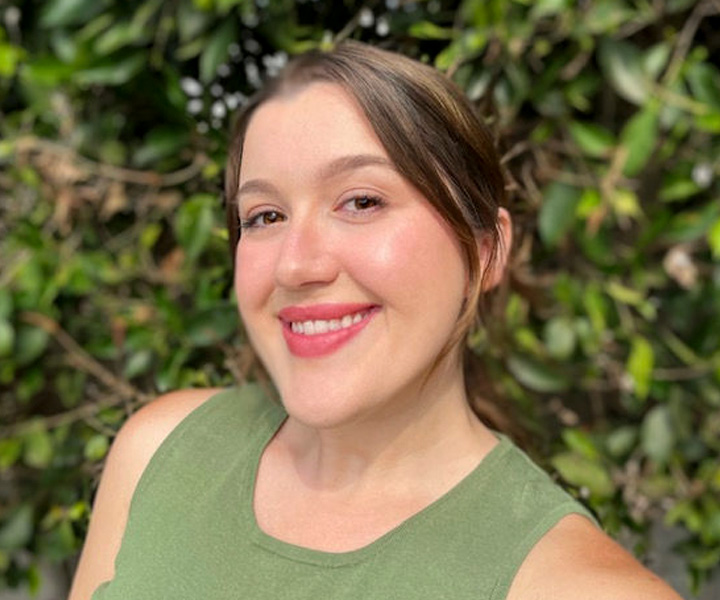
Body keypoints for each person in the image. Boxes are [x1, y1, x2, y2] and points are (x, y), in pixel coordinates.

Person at [69, 41, 682, 599]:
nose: (296, 265)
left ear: (485, 250)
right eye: (264, 216)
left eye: (362, 201)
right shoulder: (160, 452)